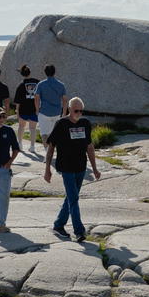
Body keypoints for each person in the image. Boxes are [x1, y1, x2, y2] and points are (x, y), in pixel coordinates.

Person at [44, 97, 101, 242]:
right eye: (76, 111)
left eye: (81, 111)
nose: (79, 113)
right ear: (69, 109)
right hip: (66, 167)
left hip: (81, 167)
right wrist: (47, 169)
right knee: (74, 199)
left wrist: (94, 168)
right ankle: (79, 231)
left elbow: (89, 146)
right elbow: (51, 147)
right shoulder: (61, 123)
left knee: (71, 197)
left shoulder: (85, 123)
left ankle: (58, 225)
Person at [34, 64, 68, 147]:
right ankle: (52, 151)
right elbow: (65, 100)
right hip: (56, 113)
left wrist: (37, 110)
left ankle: (47, 152)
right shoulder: (61, 85)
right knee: (54, 134)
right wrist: (64, 113)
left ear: (45, 72)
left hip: (44, 112)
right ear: (54, 72)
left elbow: (37, 98)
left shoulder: (41, 84)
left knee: (44, 134)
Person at [13, 65, 40, 151]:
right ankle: (32, 146)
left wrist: (17, 111)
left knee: (21, 127)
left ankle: (20, 144)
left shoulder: (21, 85)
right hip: (34, 109)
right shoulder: (38, 82)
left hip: (23, 110)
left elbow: (17, 101)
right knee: (33, 128)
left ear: (22, 74)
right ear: (30, 72)